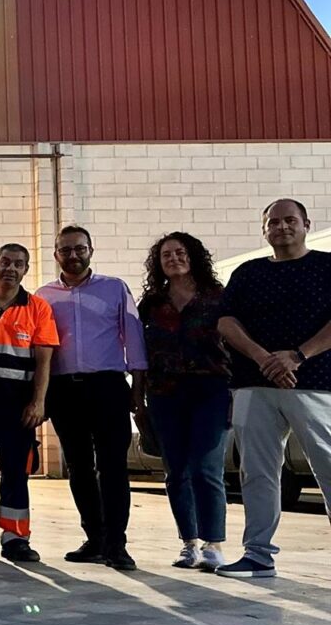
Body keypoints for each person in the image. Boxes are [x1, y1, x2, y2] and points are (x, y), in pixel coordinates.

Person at [215, 198, 331, 578]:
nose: (282, 227)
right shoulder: (248, 273)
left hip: (314, 384)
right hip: (254, 385)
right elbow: (226, 322)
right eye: (274, 222)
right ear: (264, 229)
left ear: (306, 224)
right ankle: (258, 555)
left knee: (327, 467)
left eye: (289, 220)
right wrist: (265, 358)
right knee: (258, 472)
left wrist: (297, 356)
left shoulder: (326, 266)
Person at [36, 225, 146, 570]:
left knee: (113, 466)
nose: (73, 255)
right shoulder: (44, 296)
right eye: (65, 250)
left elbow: (134, 339)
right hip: (64, 389)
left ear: (91, 251)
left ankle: (117, 543)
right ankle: (94, 537)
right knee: (79, 467)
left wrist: (138, 391)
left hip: (108, 387)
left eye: (79, 249)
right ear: (56, 255)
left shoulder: (115, 289)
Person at [138, 232, 231, 572]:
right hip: (164, 393)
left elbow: (234, 343)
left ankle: (213, 544)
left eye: (179, 252)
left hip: (210, 390)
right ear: (158, 263)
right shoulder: (152, 303)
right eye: (166, 254)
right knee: (176, 471)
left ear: (193, 256)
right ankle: (188, 543)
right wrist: (139, 399)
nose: (173, 258)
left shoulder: (218, 297)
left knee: (206, 468)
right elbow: (141, 354)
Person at [0, 244, 59, 563]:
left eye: (19, 264)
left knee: (16, 472)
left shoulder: (38, 308)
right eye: (5, 261)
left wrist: (38, 402)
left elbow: (44, 362)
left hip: (19, 408)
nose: (11, 268)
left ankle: (16, 537)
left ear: (25, 270)